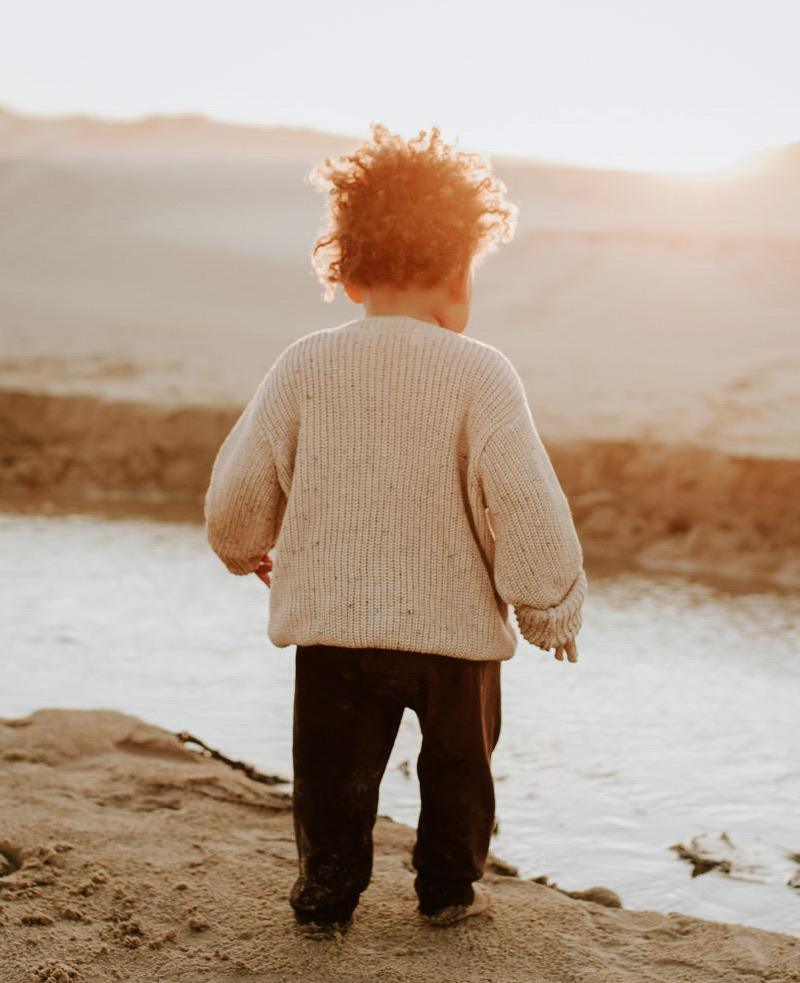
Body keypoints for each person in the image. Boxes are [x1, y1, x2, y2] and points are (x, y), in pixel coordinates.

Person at [203, 125, 587, 934]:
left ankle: (326, 895)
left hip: (336, 629)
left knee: (331, 775)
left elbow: (241, 485)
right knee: (458, 771)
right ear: (456, 271)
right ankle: (448, 890)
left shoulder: (305, 362)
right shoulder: (481, 371)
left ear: (346, 274)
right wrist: (545, 597)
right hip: (456, 636)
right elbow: (523, 499)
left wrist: (242, 545)